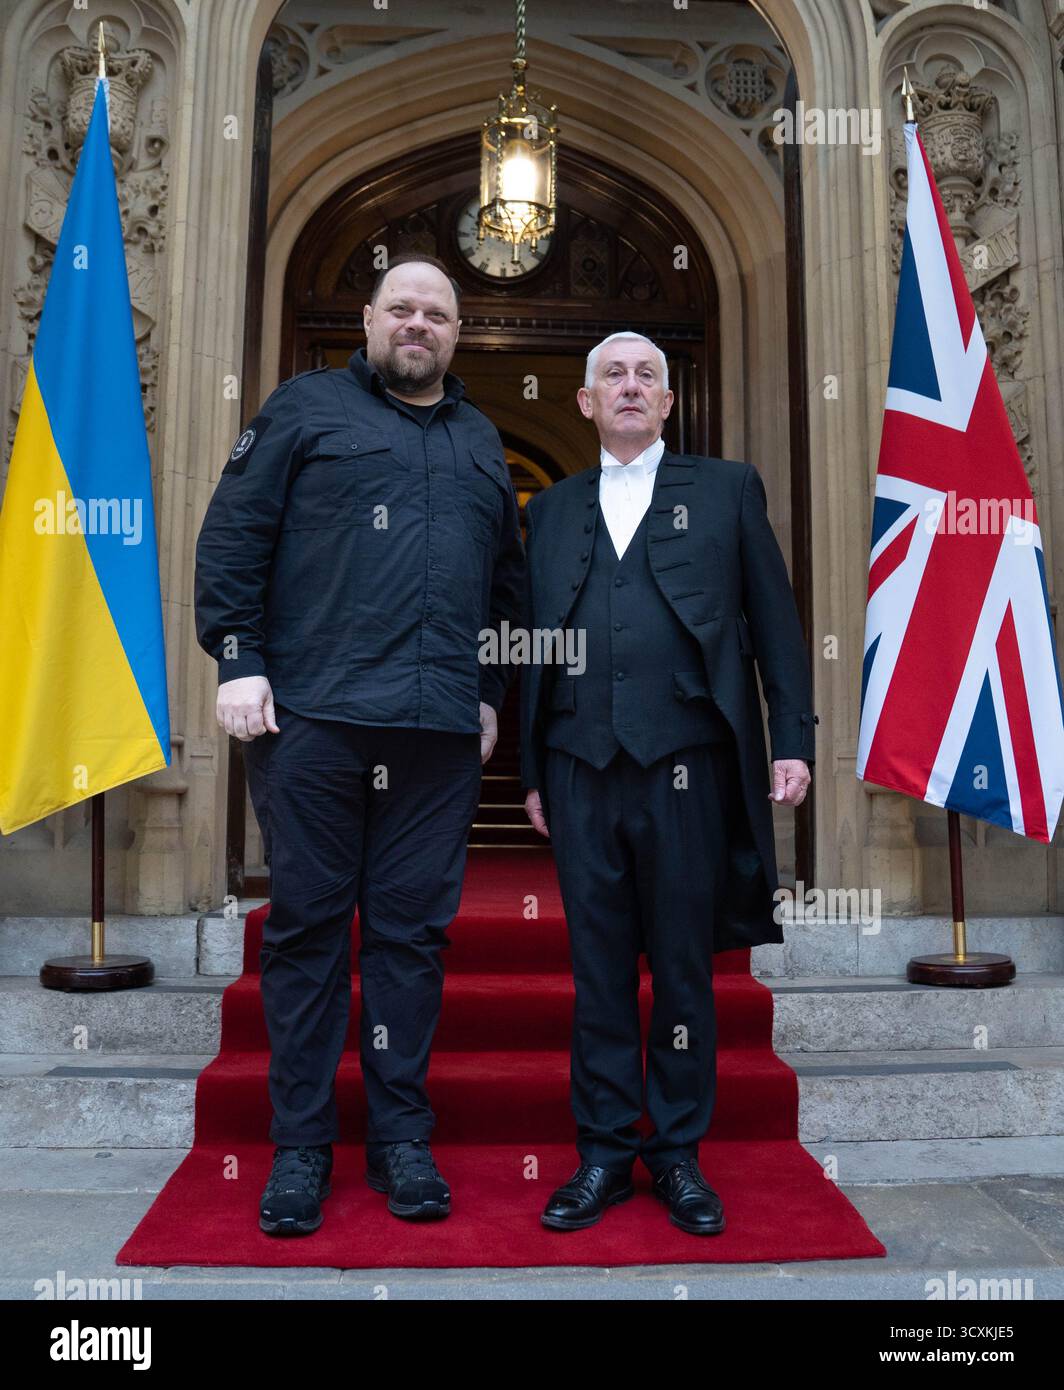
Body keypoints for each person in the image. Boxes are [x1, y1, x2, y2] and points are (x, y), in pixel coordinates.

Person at [194, 253, 525, 1235]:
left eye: (437, 314)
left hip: (433, 732)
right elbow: (232, 535)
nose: (418, 325)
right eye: (402, 309)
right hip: (314, 721)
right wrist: (239, 657)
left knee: (409, 941)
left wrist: (489, 692)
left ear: (456, 335)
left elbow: (504, 586)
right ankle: (300, 1149)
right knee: (303, 934)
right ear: (370, 319)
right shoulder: (301, 410)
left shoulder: (477, 442)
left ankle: (398, 1141)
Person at [520, 332, 816, 1235]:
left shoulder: (726, 490)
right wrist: (532, 768)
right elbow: (532, 644)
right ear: (584, 402)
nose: (631, 386)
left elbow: (775, 618)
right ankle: (605, 1153)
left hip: (691, 762)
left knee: (684, 972)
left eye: (648, 373)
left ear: (667, 400)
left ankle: (678, 1156)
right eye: (613, 374)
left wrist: (792, 738)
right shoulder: (551, 508)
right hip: (578, 766)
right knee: (598, 972)